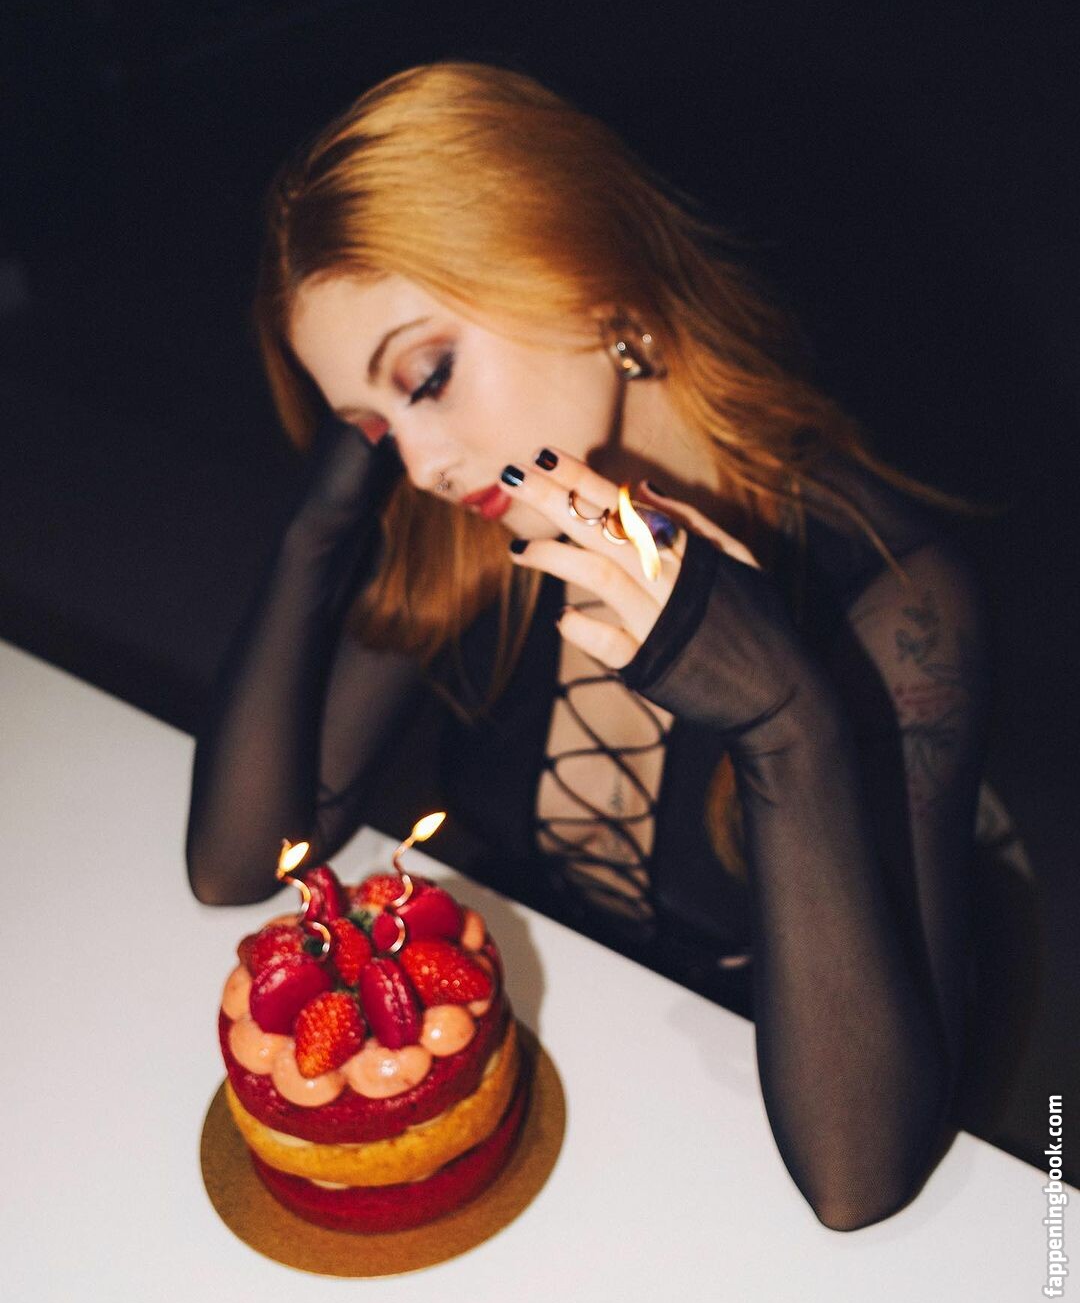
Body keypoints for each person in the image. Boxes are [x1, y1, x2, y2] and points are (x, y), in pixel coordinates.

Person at [185, 60, 994, 1230]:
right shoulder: (473, 533)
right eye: (372, 427)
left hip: (729, 1172)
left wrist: (785, 725)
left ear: (593, 281)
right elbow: (235, 860)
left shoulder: (894, 596)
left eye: (428, 376)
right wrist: (322, 521)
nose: (423, 464)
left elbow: (857, 1178)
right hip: (539, 1105)